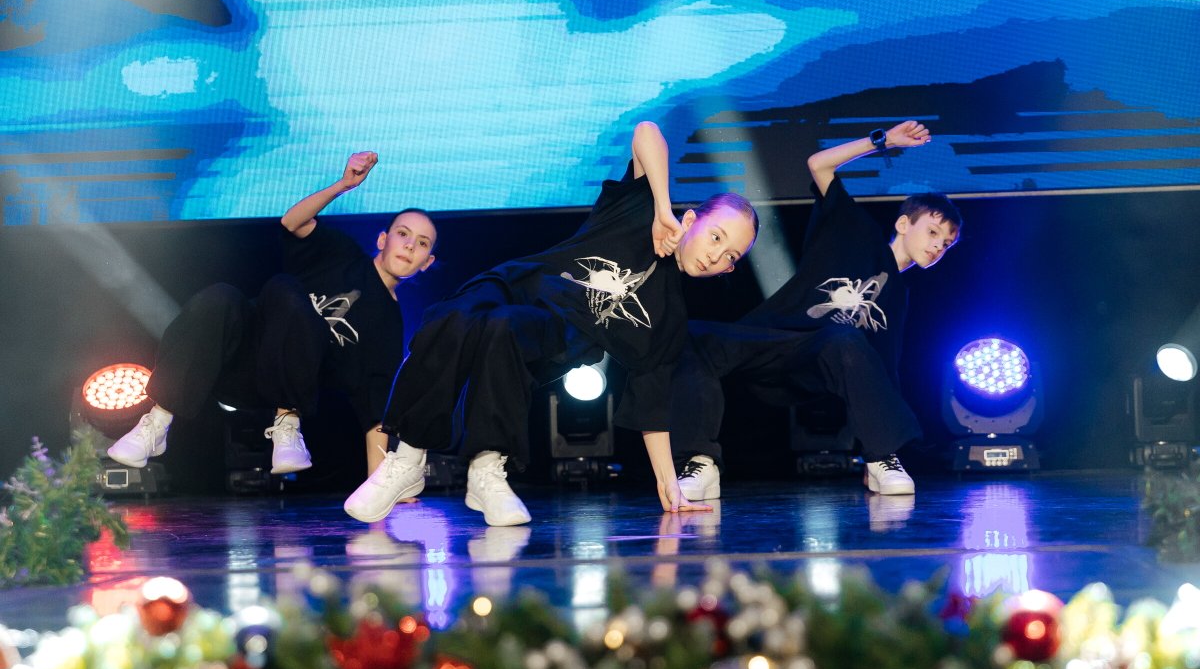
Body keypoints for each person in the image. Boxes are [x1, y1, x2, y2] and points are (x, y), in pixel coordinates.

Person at [343, 121, 759, 527]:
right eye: (716, 236)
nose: (716, 255)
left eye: (731, 257)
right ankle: (408, 458)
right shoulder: (641, 208)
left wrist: (670, 487)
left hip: (556, 335)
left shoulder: (668, 320)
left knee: (504, 329)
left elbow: (653, 407)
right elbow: (647, 132)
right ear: (691, 221)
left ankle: (487, 469)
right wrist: (662, 208)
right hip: (520, 283)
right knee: (451, 316)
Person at [670, 120, 961, 499]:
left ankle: (881, 460)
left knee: (844, 340)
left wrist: (882, 440)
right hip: (771, 341)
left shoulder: (898, 297)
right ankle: (700, 463)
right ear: (904, 223)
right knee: (690, 337)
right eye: (933, 233)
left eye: (947, 244)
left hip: (816, 366)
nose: (938, 246)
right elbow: (819, 164)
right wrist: (885, 141)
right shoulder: (855, 230)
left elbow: (883, 371)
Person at [106, 152, 436, 476]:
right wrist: (343, 185)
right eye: (403, 234)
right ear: (383, 239)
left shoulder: (389, 325)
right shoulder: (343, 254)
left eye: (422, 243)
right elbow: (292, 222)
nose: (409, 246)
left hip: (284, 386)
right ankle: (157, 423)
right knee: (225, 296)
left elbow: (375, 414)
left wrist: (381, 487)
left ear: (427, 262)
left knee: (286, 291)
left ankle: (287, 423)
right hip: (234, 364)